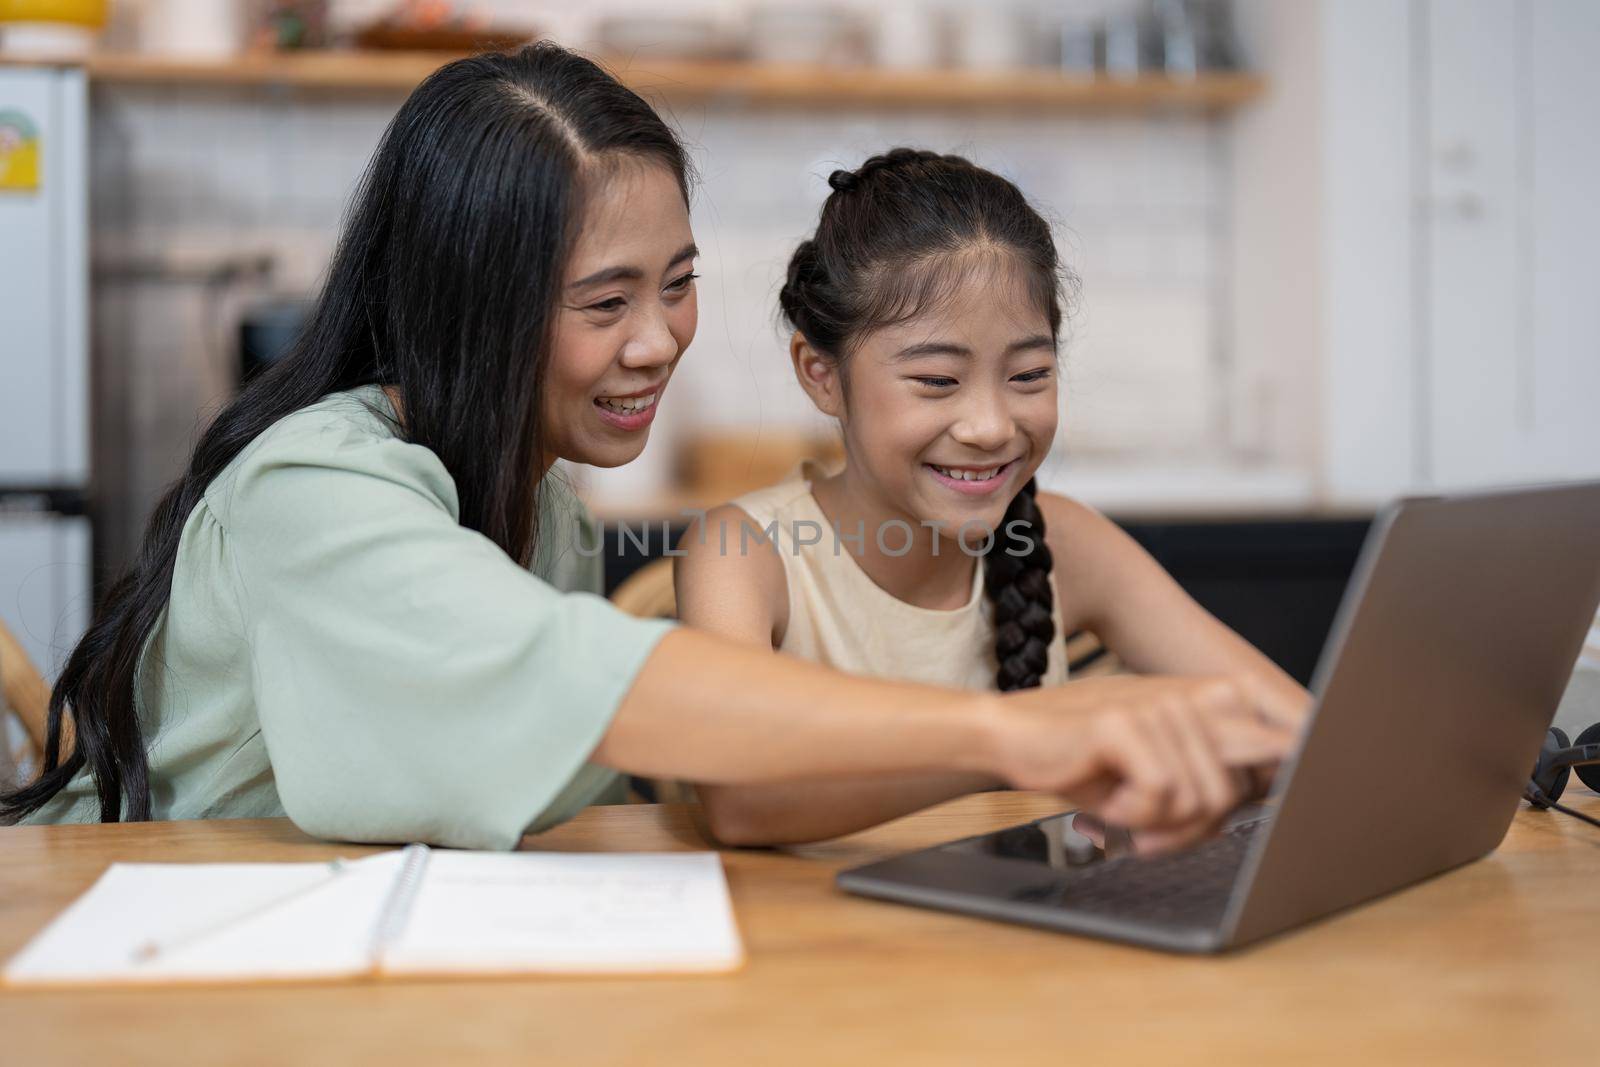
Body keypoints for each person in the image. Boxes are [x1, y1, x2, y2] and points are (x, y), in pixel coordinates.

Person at [2, 47, 1299, 851]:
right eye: (603, 301)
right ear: (477, 303)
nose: (659, 340)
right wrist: (1034, 733)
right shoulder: (316, 486)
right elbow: (575, 676)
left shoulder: (540, 501)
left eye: (674, 284)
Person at [676, 149, 1307, 846]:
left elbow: (1299, 733)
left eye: (1029, 374)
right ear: (821, 374)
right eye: (938, 381)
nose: (991, 426)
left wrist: (1202, 758)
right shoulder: (741, 554)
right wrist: (1033, 738)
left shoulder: (1067, 542)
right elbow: (741, 796)